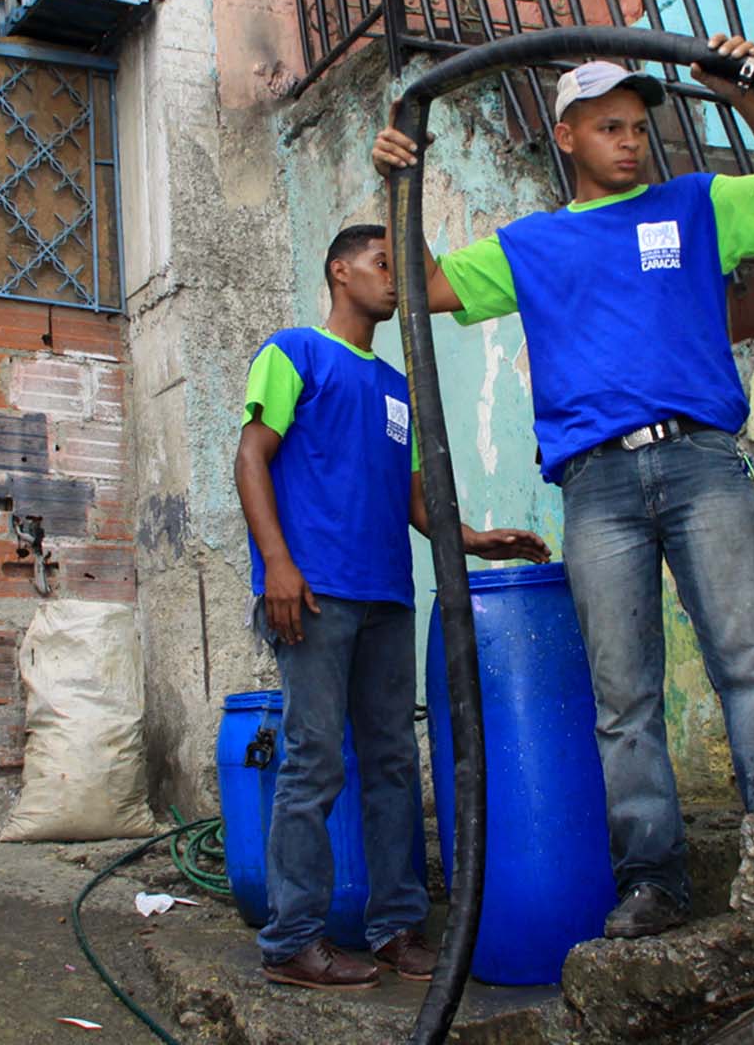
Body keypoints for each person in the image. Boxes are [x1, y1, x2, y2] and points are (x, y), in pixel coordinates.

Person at [371, 34, 754, 939]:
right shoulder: (532, 245)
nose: (632, 142)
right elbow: (421, 286)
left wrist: (740, 97)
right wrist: (396, 183)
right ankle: (654, 881)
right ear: (568, 135)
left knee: (753, 667)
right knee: (624, 697)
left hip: (703, 464)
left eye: (639, 127)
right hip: (598, 486)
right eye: (610, 127)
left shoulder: (693, 205)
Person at [235, 224, 549, 989]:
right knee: (314, 764)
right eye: (383, 264)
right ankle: (291, 943)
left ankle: (397, 930)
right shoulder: (294, 353)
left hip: (385, 596)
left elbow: (414, 498)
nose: (395, 279)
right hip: (310, 593)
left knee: (392, 767)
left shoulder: (397, 387)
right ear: (340, 271)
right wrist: (276, 563)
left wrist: (472, 539)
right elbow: (251, 455)